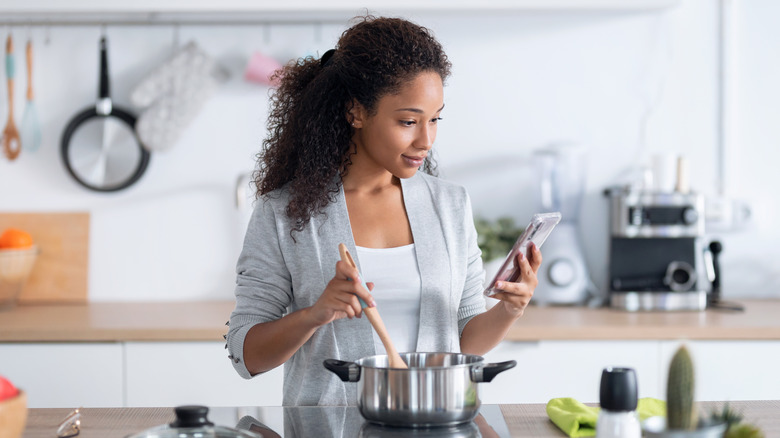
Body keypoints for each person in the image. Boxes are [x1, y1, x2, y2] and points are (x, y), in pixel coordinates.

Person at [226, 15, 542, 406]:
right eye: (408, 121)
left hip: (437, 422)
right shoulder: (285, 213)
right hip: (328, 429)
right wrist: (315, 314)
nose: (426, 139)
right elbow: (246, 355)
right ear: (356, 112)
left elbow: (463, 342)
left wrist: (510, 308)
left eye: (435, 119)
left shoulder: (450, 204)